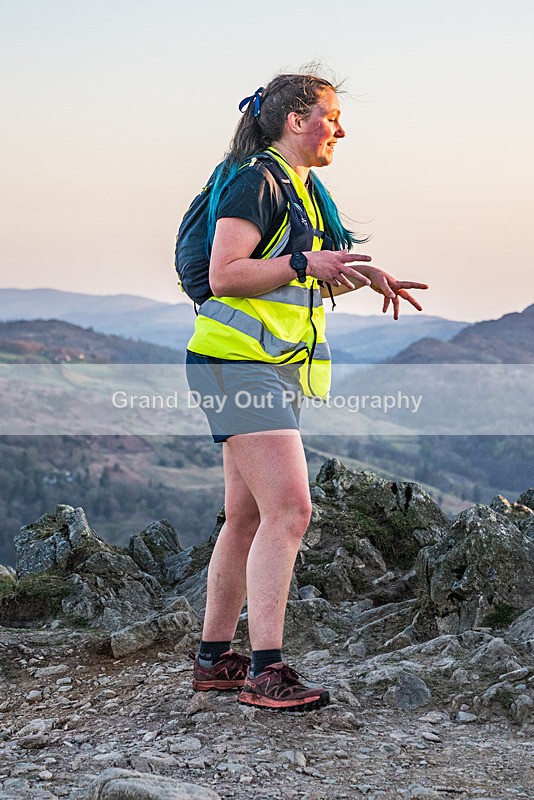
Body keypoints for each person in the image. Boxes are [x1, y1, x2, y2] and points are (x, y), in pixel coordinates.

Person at [185, 71, 428, 712]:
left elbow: (309, 274)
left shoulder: (305, 189)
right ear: (297, 119)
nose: (340, 129)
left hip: (258, 365)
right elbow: (226, 273)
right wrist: (301, 263)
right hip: (238, 364)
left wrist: (364, 274)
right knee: (291, 510)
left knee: (246, 516)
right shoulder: (256, 180)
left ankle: (215, 662)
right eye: (332, 115)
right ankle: (268, 670)